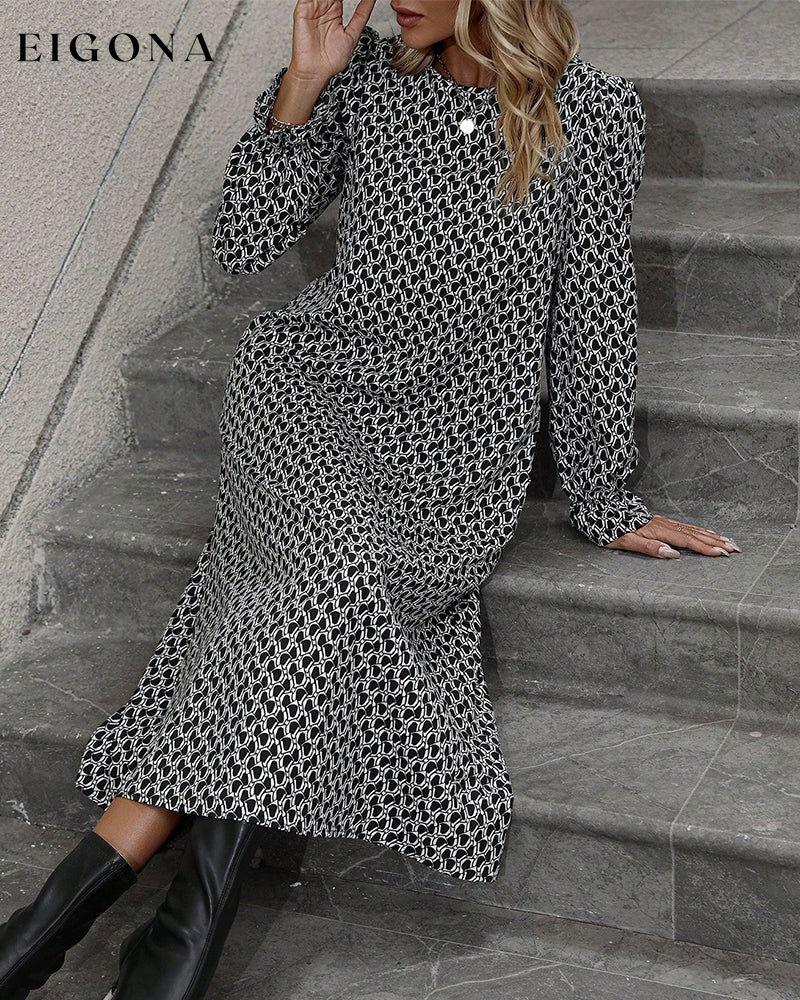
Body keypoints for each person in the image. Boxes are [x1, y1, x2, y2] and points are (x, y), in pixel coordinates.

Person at [0, 1, 741, 997]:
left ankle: (48, 933)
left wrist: (604, 490)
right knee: (329, 573)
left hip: (454, 451)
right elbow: (241, 240)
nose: (394, 0)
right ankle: (176, 940)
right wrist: (303, 84)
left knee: (304, 597)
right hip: (307, 398)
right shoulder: (362, 83)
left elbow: (594, 306)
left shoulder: (593, 113)